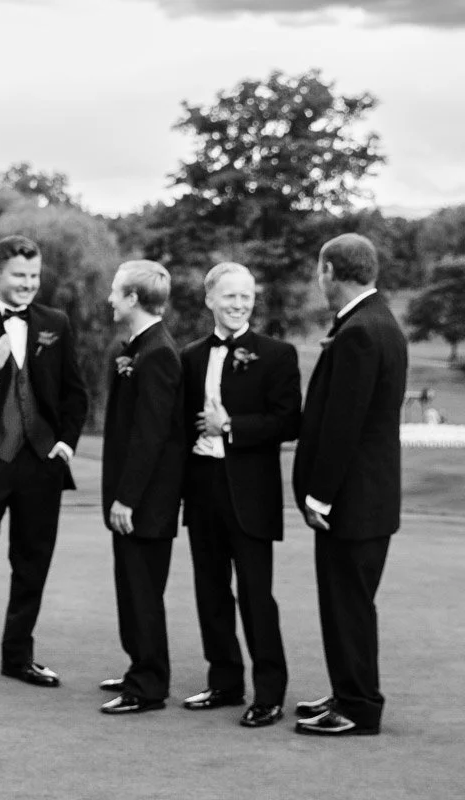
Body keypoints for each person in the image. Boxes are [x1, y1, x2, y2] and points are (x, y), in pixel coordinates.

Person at [0, 235, 88, 691]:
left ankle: (19, 656)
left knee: (32, 562)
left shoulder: (55, 323)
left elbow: (74, 393)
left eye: (34, 276)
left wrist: (65, 445)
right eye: (20, 275)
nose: (29, 284)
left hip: (41, 462)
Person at [292, 233, 407, 737]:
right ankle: (345, 691)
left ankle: (360, 706)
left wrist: (320, 493)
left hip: (354, 501)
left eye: (321, 272)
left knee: (349, 605)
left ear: (331, 272)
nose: (320, 280)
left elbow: (346, 424)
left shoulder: (362, 331)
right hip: (363, 499)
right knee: (342, 603)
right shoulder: (371, 321)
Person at [179, 263, 300, 728]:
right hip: (203, 490)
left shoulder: (277, 354)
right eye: (229, 296)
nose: (239, 304)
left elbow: (289, 421)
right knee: (210, 594)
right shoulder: (189, 356)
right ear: (209, 299)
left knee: (256, 597)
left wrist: (230, 426)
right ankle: (224, 682)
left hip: (251, 495)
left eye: (246, 296)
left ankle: (269, 693)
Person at [98, 260, 186, 715]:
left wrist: (127, 498)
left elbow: (151, 436)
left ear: (133, 298)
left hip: (146, 504)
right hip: (133, 500)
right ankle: (139, 668)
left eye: (116, 292)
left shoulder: (158, 354)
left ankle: (149, 686)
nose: (110, 299)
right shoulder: (136, 346)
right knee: (130, 590)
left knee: (143, 593)